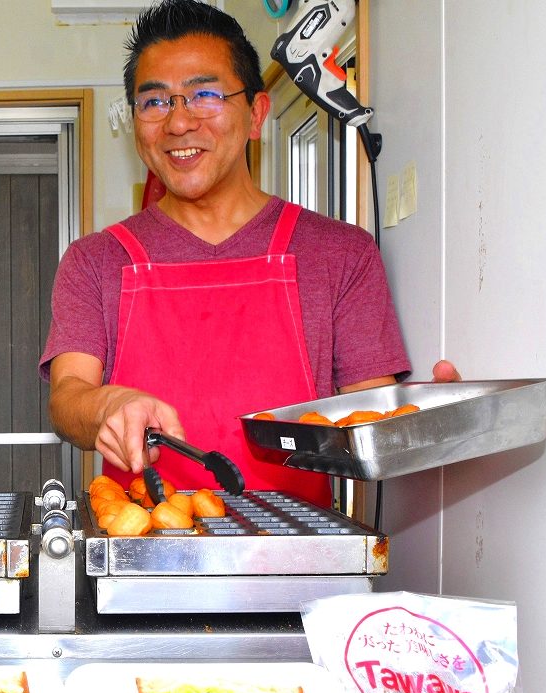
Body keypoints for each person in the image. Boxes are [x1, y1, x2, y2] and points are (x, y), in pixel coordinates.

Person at [39, 0, 458, 506]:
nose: (178, 123)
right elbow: (68, 399)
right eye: (154, 102)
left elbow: (367, 416)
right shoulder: (95, 260)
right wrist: (107, 401)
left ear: (257, 113)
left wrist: (429, 419)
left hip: (303, 562)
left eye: (205, 95)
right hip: (138, 562)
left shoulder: (341, 254)